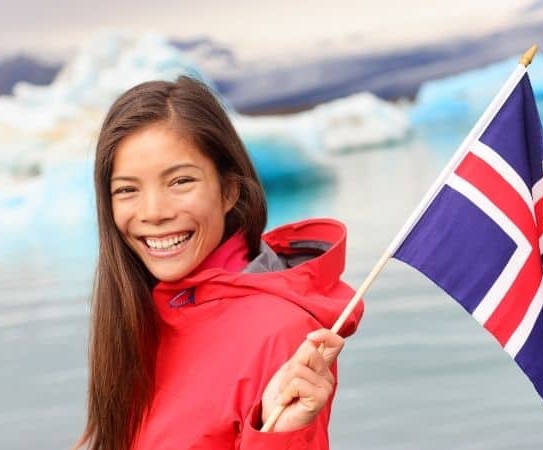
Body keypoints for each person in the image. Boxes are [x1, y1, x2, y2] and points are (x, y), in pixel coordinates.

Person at [75, 75, 364, 450]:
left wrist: (278, 437)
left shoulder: (280, 331)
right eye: (127, 189)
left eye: (180, 181)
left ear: (229, 191)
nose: (153, 212)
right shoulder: (142, 310)